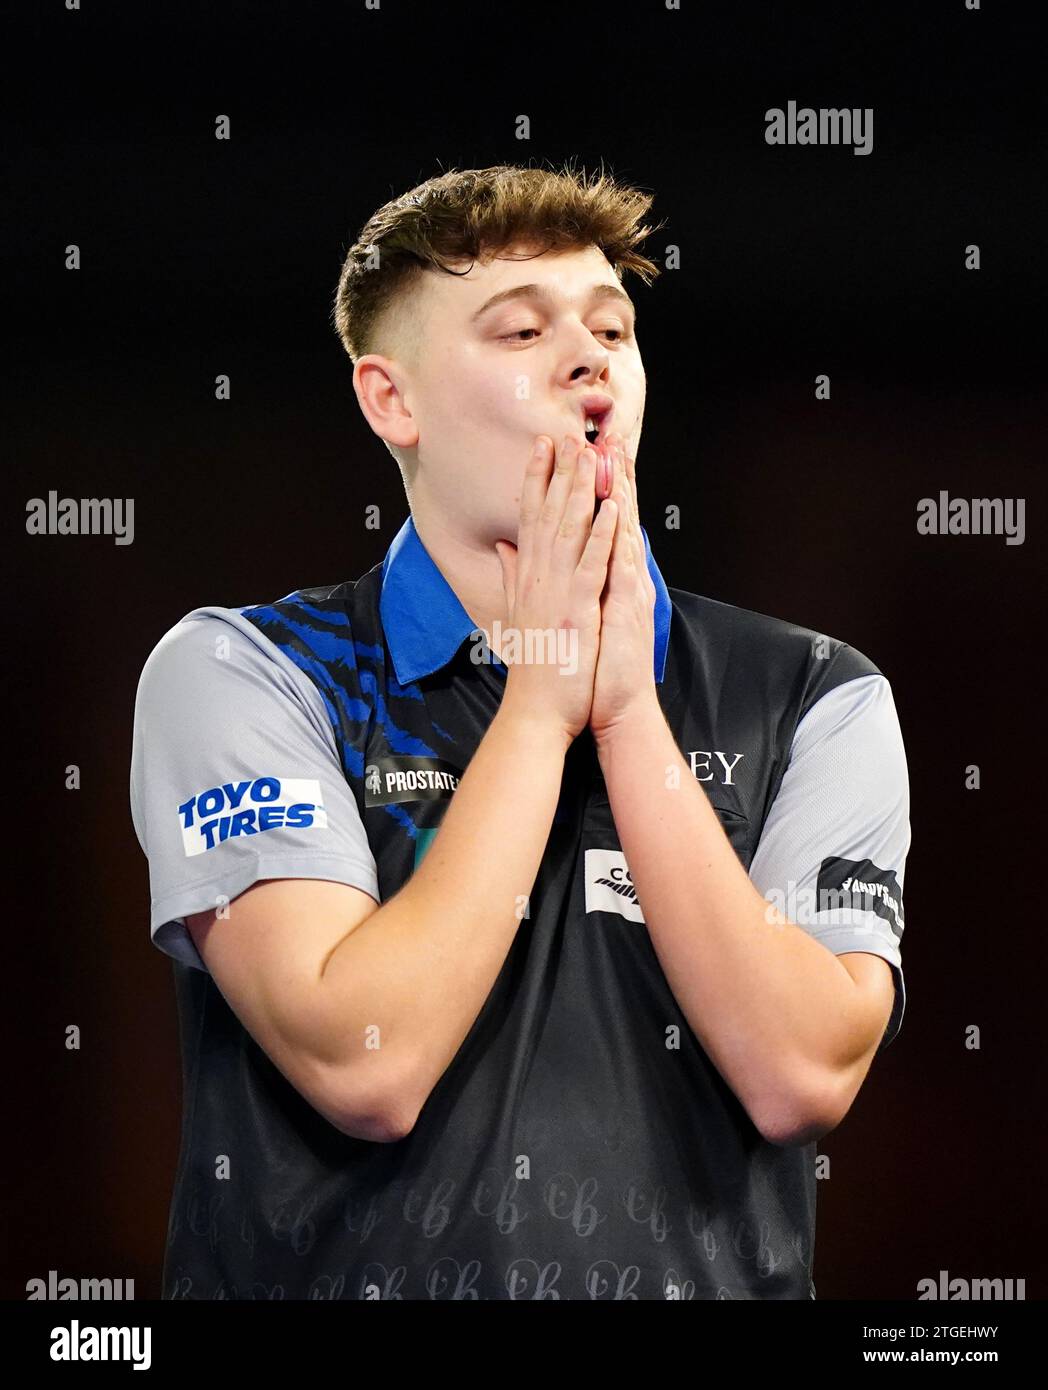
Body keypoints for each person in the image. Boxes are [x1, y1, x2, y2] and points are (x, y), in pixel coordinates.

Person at [129, 162, 910, 1301]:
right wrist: (542, 702)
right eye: (519, 330)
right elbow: (366, 1060)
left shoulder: (812, 693)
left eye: (612, 327)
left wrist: (629, 713)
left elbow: (799, 1074)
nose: (590, 355)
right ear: (390, 400)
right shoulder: (246, 671)